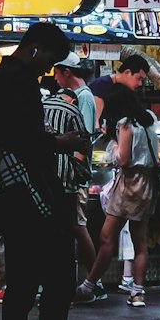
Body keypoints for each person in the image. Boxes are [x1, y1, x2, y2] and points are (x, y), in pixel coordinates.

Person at [0, 21, 99, 320]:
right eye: (49, 59)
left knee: (21, 290)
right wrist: (61, 142)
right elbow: (27, 140)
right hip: (37, 200)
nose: (49, 69)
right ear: (34, 49)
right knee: (59, 285)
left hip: (11, 201)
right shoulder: (21, 82)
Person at [75, 78, 159, 308]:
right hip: (147, 182)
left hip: (130, 182)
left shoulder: (125, 123)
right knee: (140, 240)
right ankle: (138, 293)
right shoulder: (149, 119)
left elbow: (122, 158)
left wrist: (112, 142)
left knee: (105, 237)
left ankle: (88, 286)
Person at [54, 52, 101, 293]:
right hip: (71, 172)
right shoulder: (79, 96)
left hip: (75, 175)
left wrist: (74, 168)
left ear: (66, 72)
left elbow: (83, 138)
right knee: (74, 225)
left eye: (56, 71)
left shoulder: (83, 97)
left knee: (77, 225)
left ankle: (95, 281)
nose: (54, 77)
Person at [89, 54, 149, 127]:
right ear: (127, 72)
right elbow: (96, 122)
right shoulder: (101, 85)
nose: (140, 83)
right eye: (139, 78)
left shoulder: (126, 90)